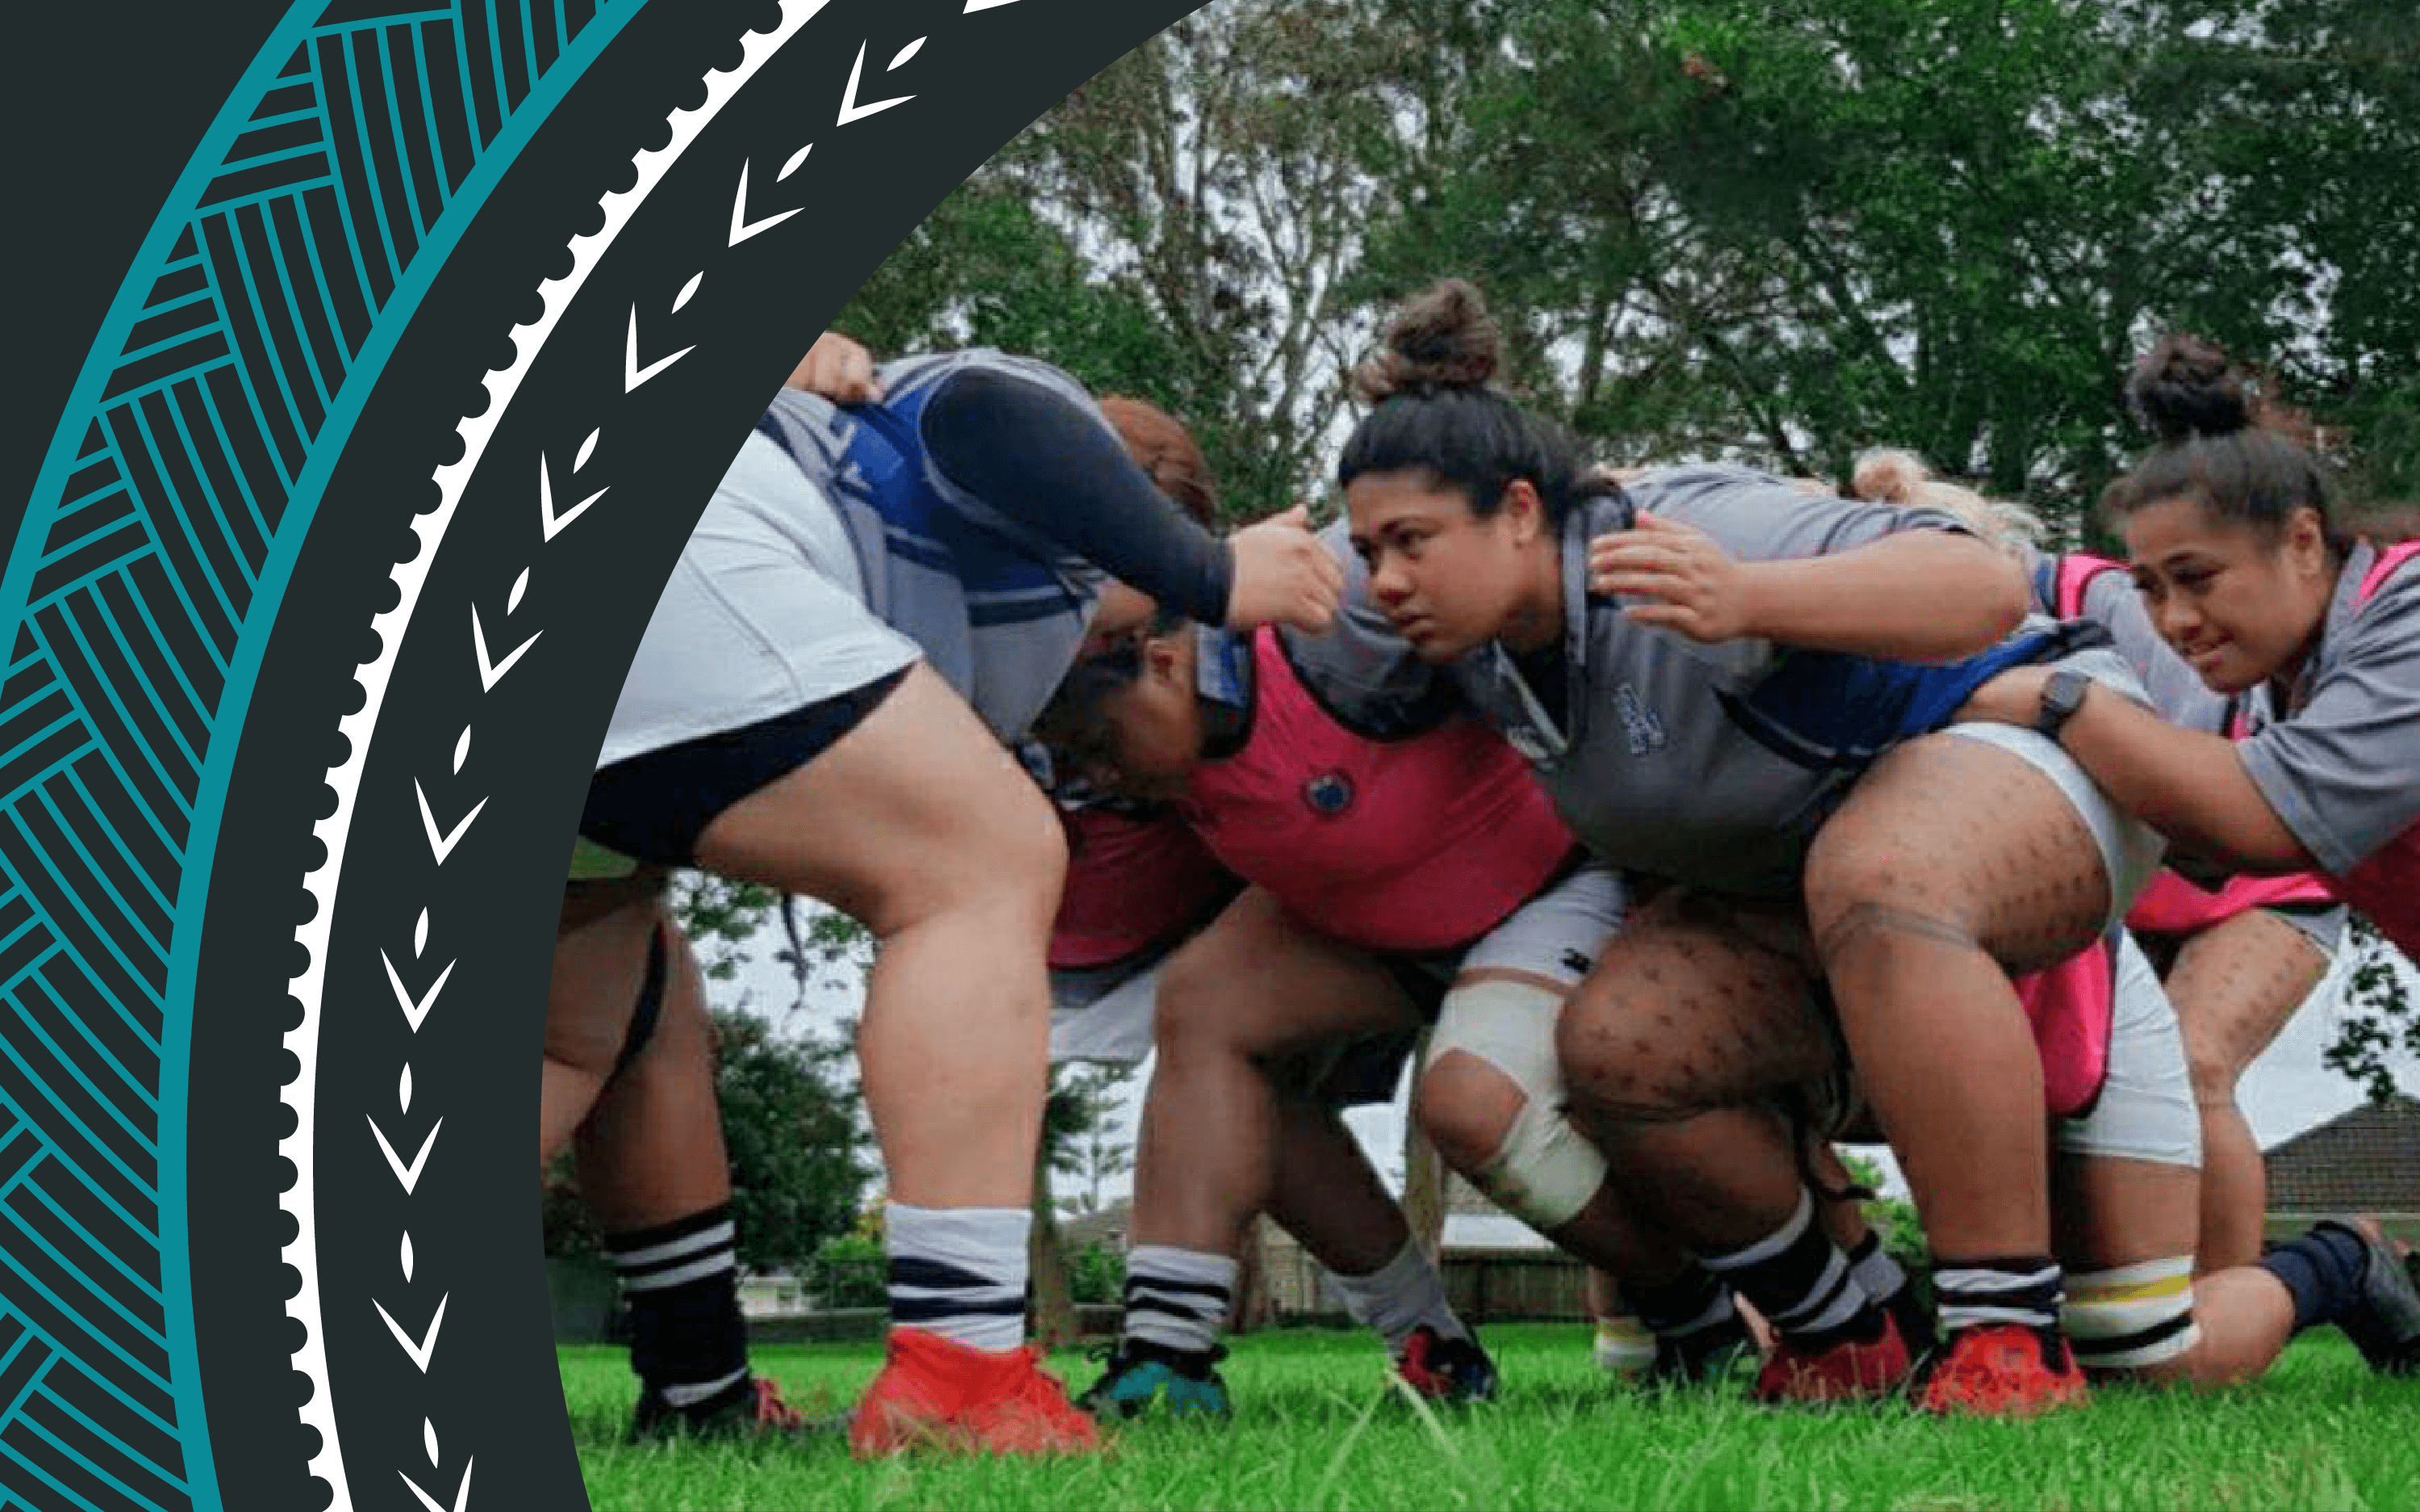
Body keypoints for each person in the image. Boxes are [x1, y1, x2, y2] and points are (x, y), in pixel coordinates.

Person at [1336, 278, 2172, 1415]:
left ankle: (2007, 1340)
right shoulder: (1464, 635)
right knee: (1618, 1046)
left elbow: (1980, 581)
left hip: (2037, 757)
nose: (1385, 579)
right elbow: (1261, 589)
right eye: (1370, 548)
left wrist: (1750, 594)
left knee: (1878, 875)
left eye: (1412, 541)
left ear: (1522, 510)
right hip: (1816, 892)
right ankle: (1851, 1329)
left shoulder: (1680, 526)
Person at [547, 335, 1344, 1459]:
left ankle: (689, 1389)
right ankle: (960, 1375)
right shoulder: (1033, 461)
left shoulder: (951, 628)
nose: (1131, 646)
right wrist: (1209, 570)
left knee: (593, 1037)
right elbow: (983, 409)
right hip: (682, 557)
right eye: (1144, 620)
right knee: (982, 862)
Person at [1957, 333, 2420, 1373]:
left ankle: (2247, 1295)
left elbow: (2257, 822)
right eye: (2152, 587)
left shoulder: (2409, 618)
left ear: (2306, 542)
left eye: (2197, 580)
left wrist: (2056, 698)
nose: (2174, 621)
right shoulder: (2283, 666)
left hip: (2267, 872)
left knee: (2195, 1061)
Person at [1859, 447, 2350, 1273]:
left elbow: (2231, 743)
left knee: (2198, 1063)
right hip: (2136, 893)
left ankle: (2229, 1297)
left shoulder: (2102, 598)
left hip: (2260, 879)